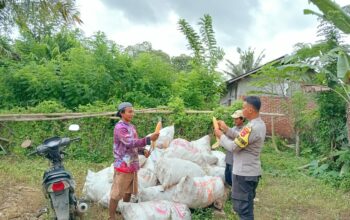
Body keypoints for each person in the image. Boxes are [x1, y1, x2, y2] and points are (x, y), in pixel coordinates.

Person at [215, 96, 266, 220]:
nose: (242, 111)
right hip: (250, 172)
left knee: (243, 210)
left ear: (250, 110)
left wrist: (221, 136)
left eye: (243, 108)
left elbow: (233, 147)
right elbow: (241, 138)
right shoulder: (258, 124)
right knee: (246, 207)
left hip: (244, 174)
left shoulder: (251, 127)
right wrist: (227, 129)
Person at [109, 102, 159, 220]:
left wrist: (142, 151)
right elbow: (129, 142)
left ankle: (124, 213)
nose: (132, 114)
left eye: (133, 111)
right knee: (117, 193)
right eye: (129, 111)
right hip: (123, 165)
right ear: (122, 113)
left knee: (128, 192)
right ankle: (111, 217)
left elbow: (134, 143)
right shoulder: (120, 127)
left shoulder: (131, 126)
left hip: (132, 165)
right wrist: (148, 139)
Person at [218, 110, 244, 186]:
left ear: (242, 119)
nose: (234, 120)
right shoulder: (233, 128)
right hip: (229, 158)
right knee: (227, 177)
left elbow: (236, 139)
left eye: (236, 119)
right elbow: (226, 137)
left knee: (234, 180)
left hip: (235, 160)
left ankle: (235, 194)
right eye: (234, 118)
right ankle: (231, 192)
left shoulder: (244, 131)